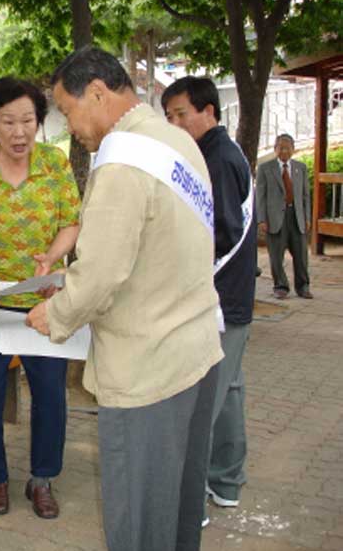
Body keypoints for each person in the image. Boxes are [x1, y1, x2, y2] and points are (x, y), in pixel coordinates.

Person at [27, 46, 223, 551]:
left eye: (68, 111)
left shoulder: (121, 162)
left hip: (147, 372)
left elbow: (101, 273)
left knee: (139, 521)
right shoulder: (176, 141)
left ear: (97, 93)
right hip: (196, 353)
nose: (69, 126)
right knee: (178, 508)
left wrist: (56, 313)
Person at [0, 77, 80, 519]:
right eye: (8, 121)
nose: (19, 132)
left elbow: (71, 222)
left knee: (50, 394)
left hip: (43, 302)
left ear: (39, 123)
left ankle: (42, 479)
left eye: (27, 120)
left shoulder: (55, 163)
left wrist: (51, 256)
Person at [162, 76, 257, 522]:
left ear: (209, 112)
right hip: (234, 300)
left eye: (182, 114)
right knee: (229, 390)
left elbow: (221, 235)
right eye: (169, 117)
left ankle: (189, 499)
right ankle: (226, 482)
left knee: (206, 399)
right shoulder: (222, 152)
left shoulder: (216, 159)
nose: (176, 123)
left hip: (219, 301)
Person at [256, 134, 313, 299]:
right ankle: (280, 286)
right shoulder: (265, 168)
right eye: (281, 147)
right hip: (274, 219)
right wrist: (261, 219)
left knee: (301, 255)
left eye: (288, 147)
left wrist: (307, 217)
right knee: (276, 256)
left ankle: (303, 287)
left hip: (297, 217)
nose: (284, 151)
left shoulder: (300, 168)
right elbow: (261, 196)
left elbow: (305, 196)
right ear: (275, 149)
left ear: (293, 150)